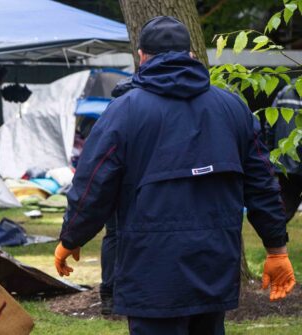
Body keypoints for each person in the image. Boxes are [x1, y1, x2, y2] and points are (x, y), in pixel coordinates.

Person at [53, 16, 295, 334]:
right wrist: (276, 248)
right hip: (213, 268)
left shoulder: (124, 112)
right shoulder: (233, 108)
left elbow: (93, 184)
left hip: (151, 272)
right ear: (190, 54)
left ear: (141, 56)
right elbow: (262, 183)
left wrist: (71, 237)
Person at [265, 82, 302, 223]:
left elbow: (270, 125)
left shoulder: (284, 92)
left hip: (284, 162)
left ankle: (277, 241)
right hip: (291, 162)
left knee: (284, 208)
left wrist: (272, 154)